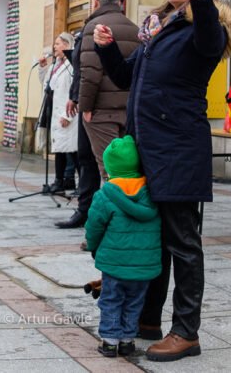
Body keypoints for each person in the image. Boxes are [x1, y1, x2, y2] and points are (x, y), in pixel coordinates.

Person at [93, 0, 231, 362]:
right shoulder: (160, 30)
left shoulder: (201, 28)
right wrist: (106, 52)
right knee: (153, 239)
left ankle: (186, 331)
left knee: (183, 244)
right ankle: (147, 319)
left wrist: (206, 2)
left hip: (178, 151)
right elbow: (127, 79)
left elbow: (212, 42)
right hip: (148, 149)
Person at [58, 0, 141, 229]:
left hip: (101, 112)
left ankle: (110, 229)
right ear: (122, 1)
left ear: (95, 1)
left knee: (108, 172)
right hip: (127, 110)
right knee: (128, 168)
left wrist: (85, 107)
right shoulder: (135, 29)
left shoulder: (94, 27)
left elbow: (90, 73)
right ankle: (130, 221)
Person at [84, 135, 161, 358]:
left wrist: (93, 246)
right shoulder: (151, 193)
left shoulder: (105, 195)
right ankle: (127, 341)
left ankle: (109, 341)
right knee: (135, 302)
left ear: (109, 168)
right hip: (143, 266)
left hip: (115, 265)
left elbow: (94, 227)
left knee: (111, 300)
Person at [38, 32, 77, 192]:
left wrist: (68, 115)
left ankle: (78, 184)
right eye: (55, 44)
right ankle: (59, 182)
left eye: (58, 44)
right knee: (60, 149)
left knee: (72, 151)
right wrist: (43, 67)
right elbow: (46, 84)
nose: (54, 47)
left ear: (67, 46)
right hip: (54, 111)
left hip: (67, 113)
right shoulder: (56, 64)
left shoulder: (72, 65)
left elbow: (75, 90)